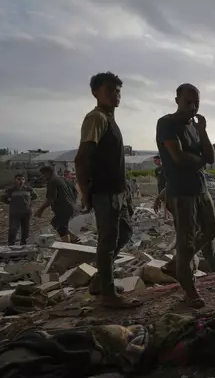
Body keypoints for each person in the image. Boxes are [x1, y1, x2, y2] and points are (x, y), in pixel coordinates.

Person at [74, 71, 141, 309]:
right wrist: (85, 193)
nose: (116, 95)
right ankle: (108, 296)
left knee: (124, 232)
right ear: (96, 92)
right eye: (110, 90)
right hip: (105, 192)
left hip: (118, 191)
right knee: (108, 240)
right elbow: (82, 159)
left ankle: (101, 280)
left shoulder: (110, 119)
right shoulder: (96, 118)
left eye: (118, 90)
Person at [156, 83, 215, 309]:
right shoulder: (167, 124)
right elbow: (179, 157)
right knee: (185, 240)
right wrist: (200, 159)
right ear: (177, 100)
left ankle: (177, 264)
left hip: (200, 187)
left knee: (210, 230)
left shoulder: (194, 127)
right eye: (188, 102)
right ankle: (189, 288)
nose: (192, 107)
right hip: (180, 190)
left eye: (196, 103)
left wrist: (202, 130)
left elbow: (210, 156)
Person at [34, 166, 80, 243]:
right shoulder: (65, 179)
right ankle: (74, 238)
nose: (43, 177)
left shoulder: (52, 182)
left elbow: (50, 199)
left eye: (43, 174)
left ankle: (67, 247)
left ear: (48, 173)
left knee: (61, 229)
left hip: (63, 209)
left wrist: (40, 210)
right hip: (71, 207)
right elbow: (75, 191)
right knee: (55, 223)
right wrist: (72, 202)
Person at [0, 174, 37, 245]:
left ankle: (24, 243)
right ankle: (11, 244)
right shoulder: (10, 190)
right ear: (14, 180)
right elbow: (2, 198)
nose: (21, 181)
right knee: (13, 228)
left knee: (26, 228)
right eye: (19, 179)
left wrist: (27, 202)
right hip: (14, 213)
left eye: (23, 179)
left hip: (27, 212)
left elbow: (34, 196)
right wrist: (11, 203)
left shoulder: (28, 189)